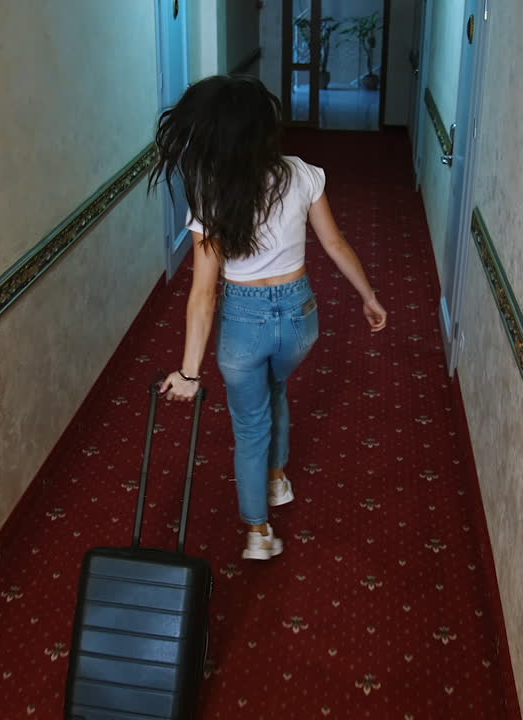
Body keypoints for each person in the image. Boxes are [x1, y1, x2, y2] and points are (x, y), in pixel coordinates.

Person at [152, 75, 387, 561]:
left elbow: (203, 294)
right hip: (300, 319)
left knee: (249, 425)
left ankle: (258, 531)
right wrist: (369, 296)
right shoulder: (302, 173)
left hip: (244, 320)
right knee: (275, 389)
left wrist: (189, 373)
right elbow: (335, 243)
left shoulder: (212, 194)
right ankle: (278, 478)